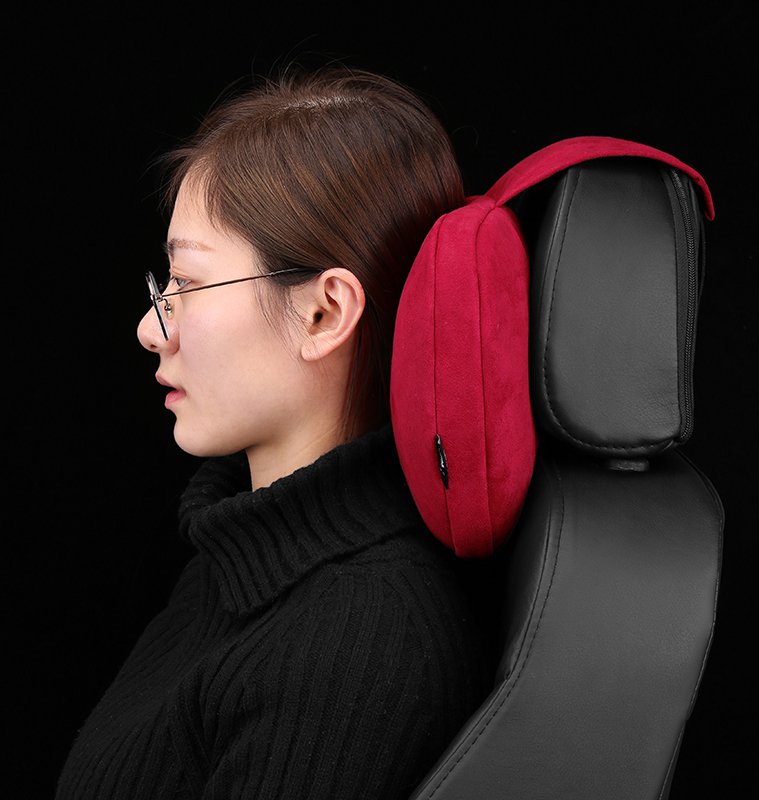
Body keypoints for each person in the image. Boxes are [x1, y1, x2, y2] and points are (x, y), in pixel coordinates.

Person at [55, 65, 490, 799]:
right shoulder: (238, 564)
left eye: (188, 284)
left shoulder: (356, 644)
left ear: (324, 313)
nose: (150, 330)